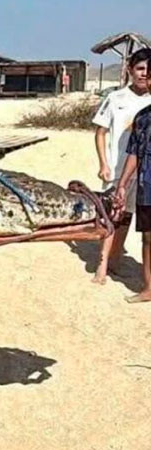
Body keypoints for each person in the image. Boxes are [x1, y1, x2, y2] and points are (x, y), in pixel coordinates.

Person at [91, 48, 151, 284]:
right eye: (139, 69)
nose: (144, 74)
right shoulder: (116, 98)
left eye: (148, 69)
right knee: (111, 215)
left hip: (144, 172)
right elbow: (101, 132)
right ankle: (102, 264)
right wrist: (103, 163)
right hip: (117, 167)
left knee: (127, 216)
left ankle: (115, 259)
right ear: (130, 70)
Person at [114, 103, 151, 302]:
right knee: (148, 238)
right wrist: (122, 184)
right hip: (147, 186)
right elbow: (134, 153)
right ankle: (148, 288)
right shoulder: (142, 117)